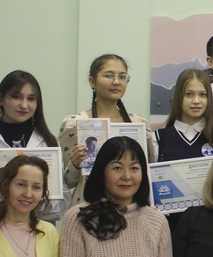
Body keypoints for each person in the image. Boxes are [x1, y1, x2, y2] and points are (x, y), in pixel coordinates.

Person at [59, 54, 156, 208]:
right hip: (88, 208)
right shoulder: (75, 123)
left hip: (131, 208)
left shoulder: (139, 123)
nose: (116, 81)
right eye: (108, 75)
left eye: (122, 76)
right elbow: (66, 182)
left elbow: (149, 172)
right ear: (92, 82)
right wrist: (75, 165)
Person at [0, 70, 63, 220]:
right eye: (16, 97)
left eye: (31, 99)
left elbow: (60, 202)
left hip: (38, 226)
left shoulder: (49, 143)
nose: (24, 105)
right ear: (0, 99)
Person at [154, 68, 213, 162]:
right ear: (179, 97)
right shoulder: (159, 138)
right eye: (189, 94)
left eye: (202, 95)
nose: (196, 101)